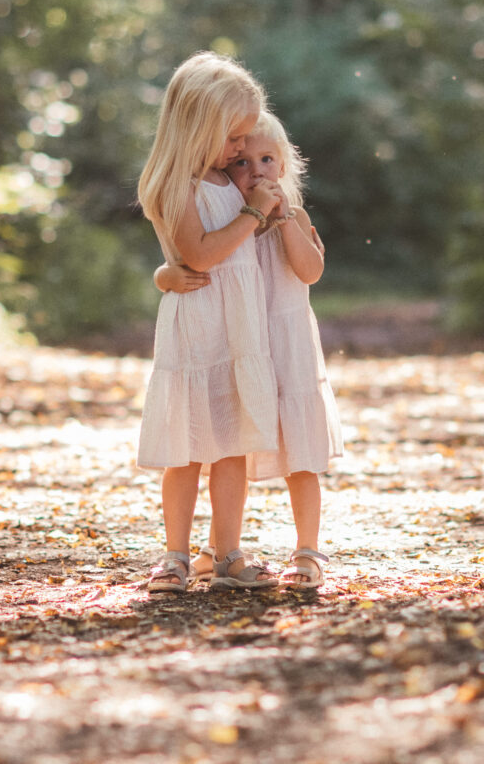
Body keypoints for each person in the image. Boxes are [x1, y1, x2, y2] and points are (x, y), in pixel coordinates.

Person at [155, 110, 343, 588]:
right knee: (226, 440)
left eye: (267, 159)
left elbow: (310, 271)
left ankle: (307, 550)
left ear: (284, 166)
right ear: (225, 171)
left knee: (298, 453)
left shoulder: (291, 216)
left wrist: (282, 221)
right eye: (243, 163)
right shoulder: (225, 217)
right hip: (241, 348)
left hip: (286, 348)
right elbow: (189, 260)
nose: (256, 171)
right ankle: (215, 550)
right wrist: (162, 276)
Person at [137, 52, 283, 593]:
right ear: (198, 129)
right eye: (233, 138)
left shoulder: (229, 180)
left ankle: (227, 552)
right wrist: (251, 216)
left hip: (236, 329)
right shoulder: (176, 184)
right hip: (198, 329)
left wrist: (267, 212)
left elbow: (247, 252)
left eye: (245, 139)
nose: (242, 149)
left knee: (231, 445)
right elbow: (198, 255)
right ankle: (175, 553)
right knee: (188, 449)